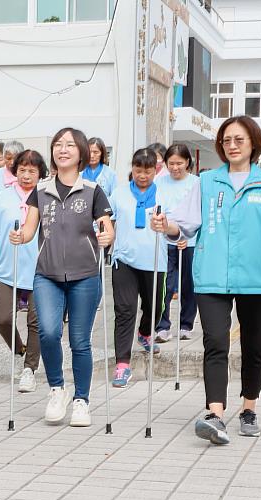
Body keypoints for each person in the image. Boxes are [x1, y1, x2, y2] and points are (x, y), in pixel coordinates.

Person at [151, 115, 261, 445]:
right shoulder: (205, 183)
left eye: (239, 140)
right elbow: (184, 225)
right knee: (216, 343)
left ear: (253, 144)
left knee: (253, 345)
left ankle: (249, 408)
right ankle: (215, 414)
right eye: (226, 141)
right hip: (211, 276)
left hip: (256, 278)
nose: (232, 146)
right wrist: (167, 226)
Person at [11, 128, 114, 426]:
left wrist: (107, 237)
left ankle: (82, 399)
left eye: (69, 145)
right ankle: (58, 389)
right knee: (47, 332)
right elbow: (29, 230)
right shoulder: (40, 191)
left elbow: (107, 227)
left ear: (81, 152)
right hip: (48, 274)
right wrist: (18, 235)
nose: (63, 149)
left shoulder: (93, 190)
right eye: (58, 144)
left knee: (80, 341)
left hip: (85, 276)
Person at [0, 150, 43, 394]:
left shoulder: (45, 196)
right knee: (3, 318)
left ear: (40, 174)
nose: (26, 175)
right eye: (22, 170)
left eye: (32, 171)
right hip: (7, 267)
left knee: (35, 321)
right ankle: (20, 349)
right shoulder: (1, 197)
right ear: (15, 171)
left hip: (39, 268)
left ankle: (29, 368)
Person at [108, 148, 172, 388]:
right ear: (132, 169)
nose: (142, 175)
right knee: (124, 311)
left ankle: (146, 333)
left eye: (147, 170)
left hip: (155, 261)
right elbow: (108, 221)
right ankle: (122, 364)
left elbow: (174, 225)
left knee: (154, 307)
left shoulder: (164, 195)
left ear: (155, 170)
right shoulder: (119, 193)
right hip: (123, 259)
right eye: (138, 170)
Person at [154, 144, 199, 342]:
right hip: (165, 241)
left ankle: (186, 325)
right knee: (166, 285)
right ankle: (162, 326)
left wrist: (186, 236)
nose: (175, 167)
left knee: (189, 285)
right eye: (171, 163)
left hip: (190, 242)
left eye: (179, 163)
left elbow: (199, 214)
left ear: (187, 162)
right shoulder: (159, 182)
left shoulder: (197, 183)